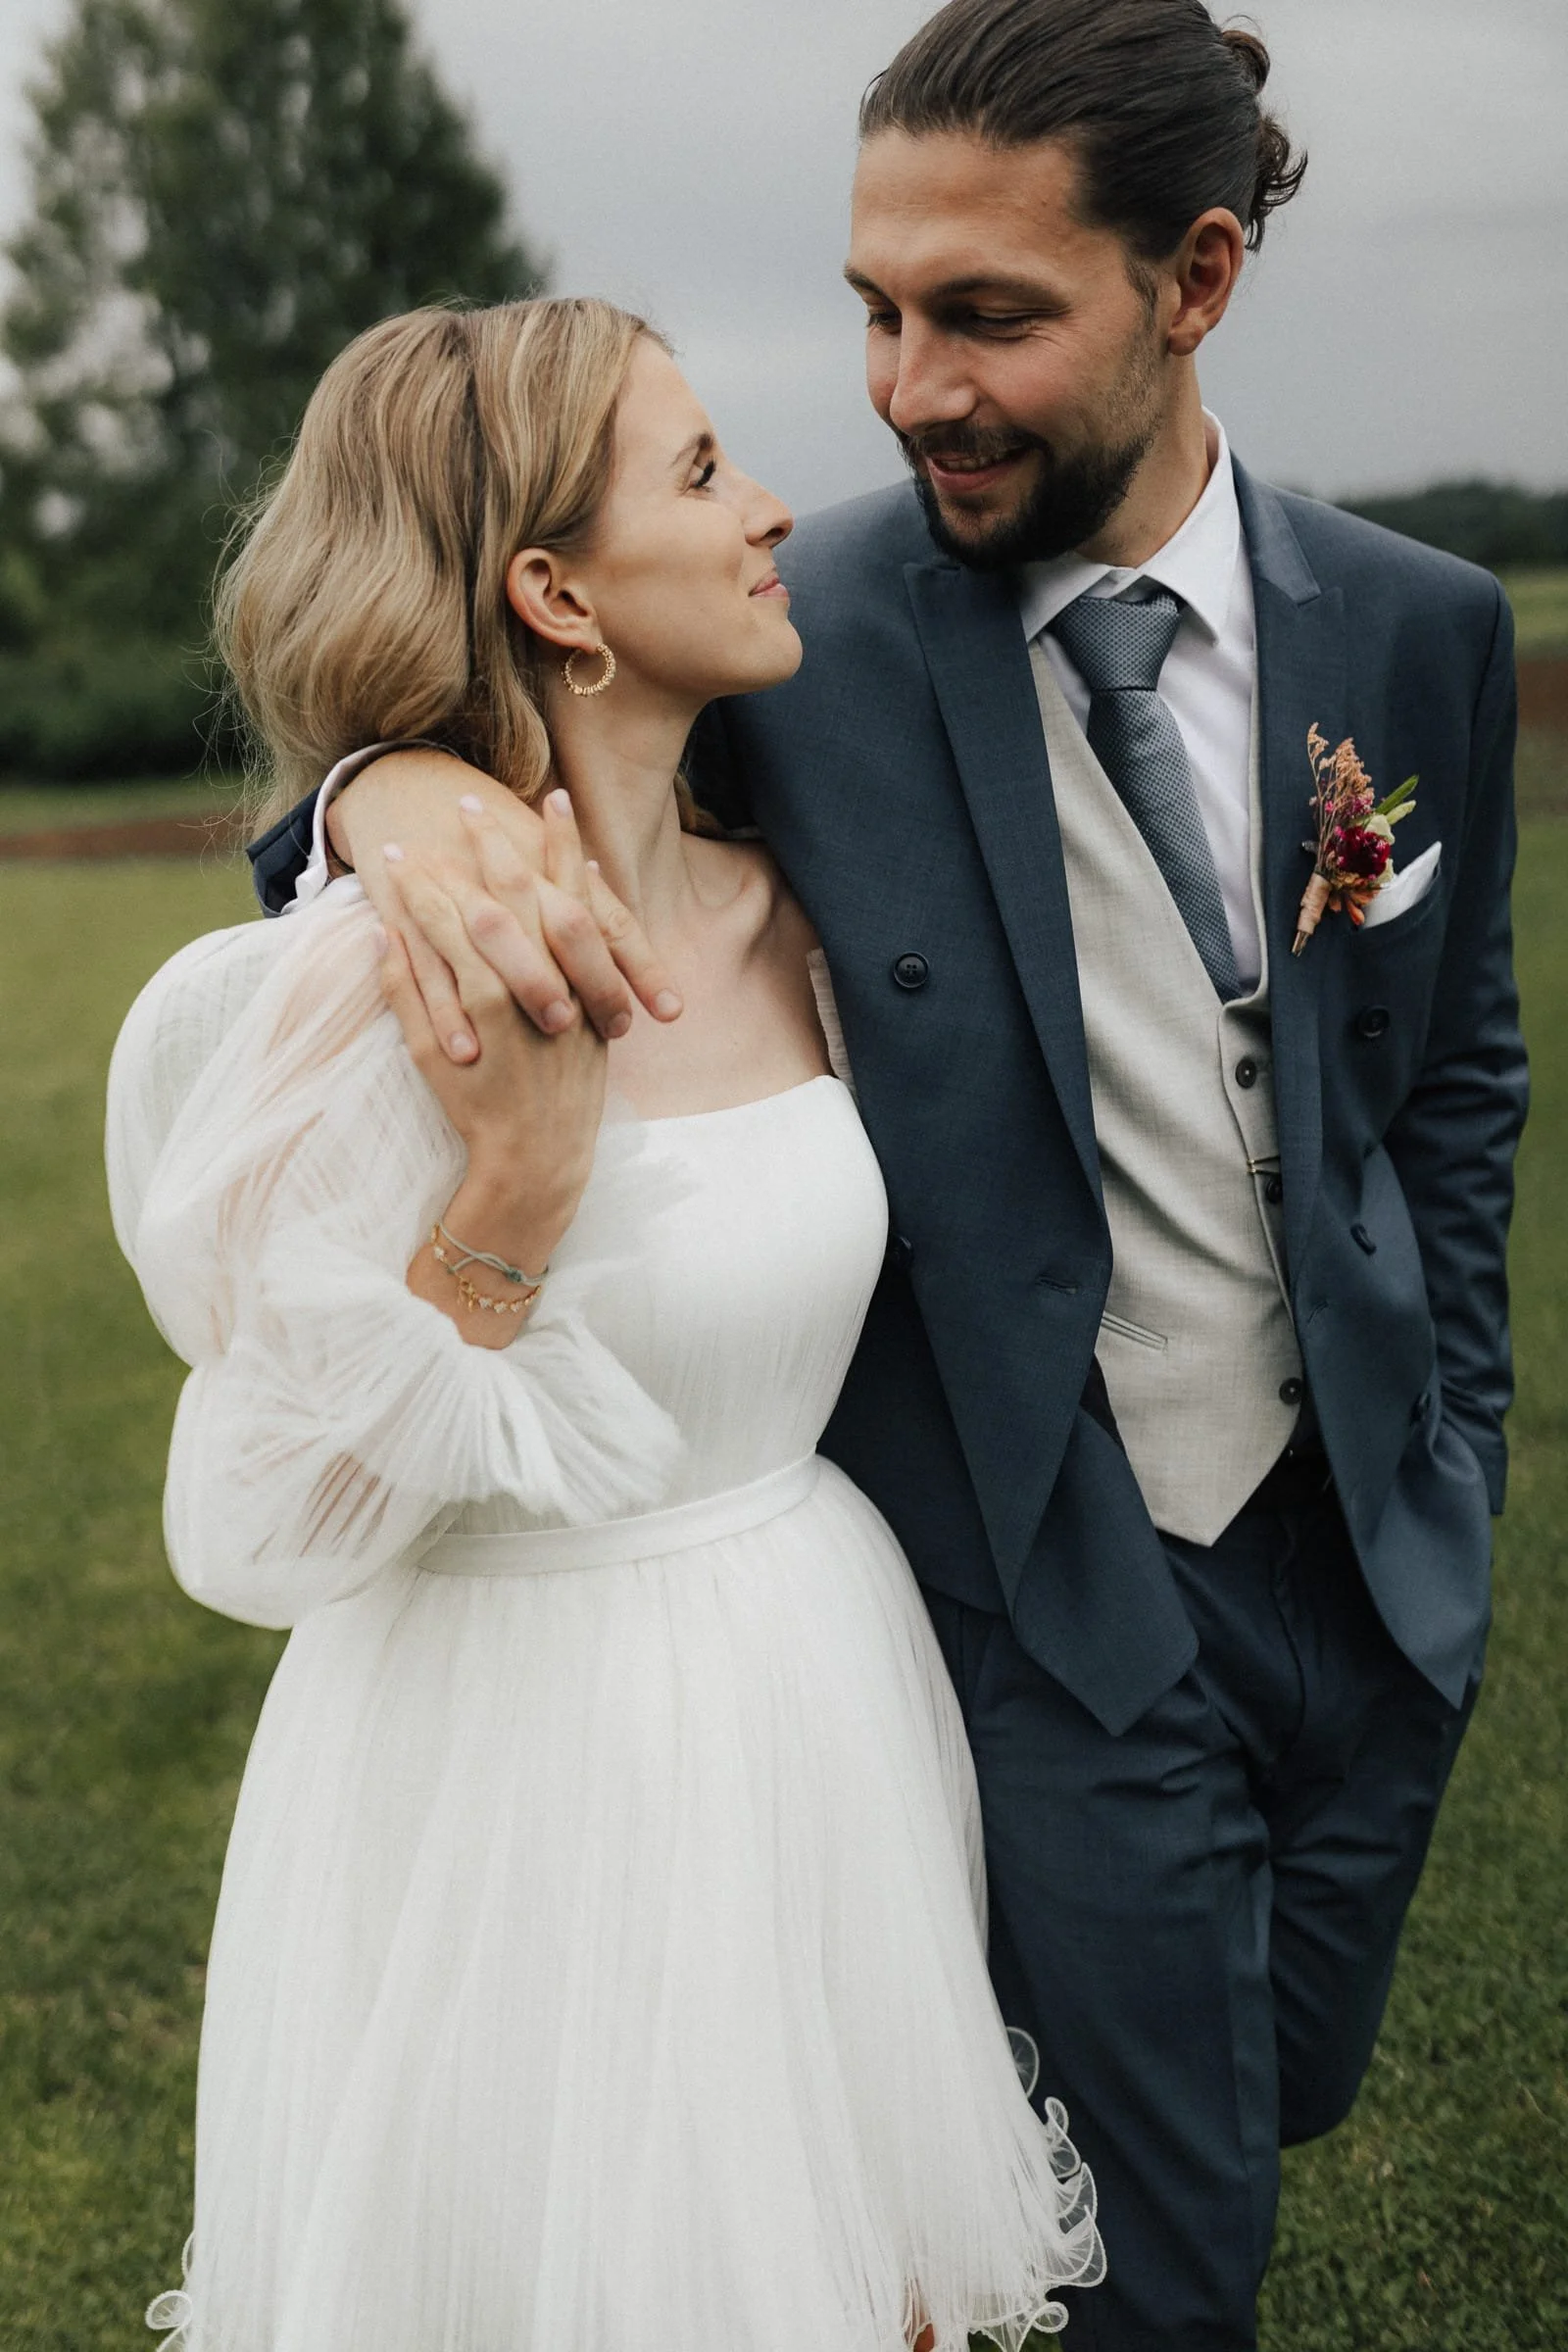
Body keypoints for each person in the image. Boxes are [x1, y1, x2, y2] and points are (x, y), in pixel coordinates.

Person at [251, 4, 1530, 2346]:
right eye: (872, 311)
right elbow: (453, 713)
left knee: (1275, 2086)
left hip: (1366, 1557)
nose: (906, 384)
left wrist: (1451, 1433)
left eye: (987, 317)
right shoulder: (798, 622)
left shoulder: (1417, 632)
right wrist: (372, 804)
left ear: (1196, 280)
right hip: (1052, 1579)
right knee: (1160, 2251)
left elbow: (1451, 1082)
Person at [107, 297, 1105, 2352]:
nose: (765, 512)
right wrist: (515, 1194)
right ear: (553, 590)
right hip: (506, 1777)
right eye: (696, 472)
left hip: (813, 1701)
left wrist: (388, 775)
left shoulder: (801, 903)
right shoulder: (352, 998)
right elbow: (256, 1537)